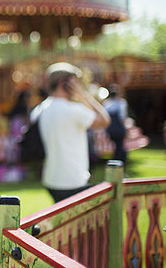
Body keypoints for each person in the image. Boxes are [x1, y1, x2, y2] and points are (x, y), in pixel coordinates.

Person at [35, 62, 111, 203]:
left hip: (51, 179)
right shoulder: (73, 110)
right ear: (66, 83)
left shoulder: (42, 107)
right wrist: (82, 95)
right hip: (72, 180)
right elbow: (105, 120)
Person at [103, 84, 129, 163]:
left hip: (110, 128)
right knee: (119, 145)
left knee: (116, 146)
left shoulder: (106, 103)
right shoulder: (121, 102)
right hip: (118, 128)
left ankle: (116, 159)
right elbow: (122, 117)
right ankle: (120, 161)